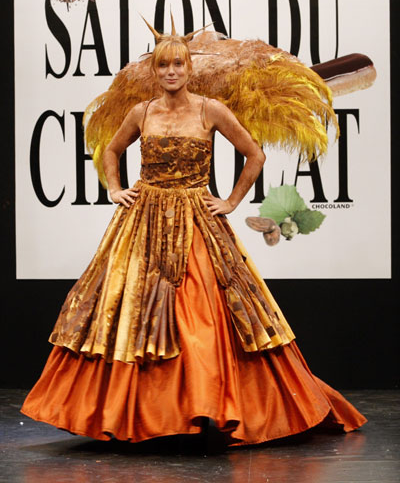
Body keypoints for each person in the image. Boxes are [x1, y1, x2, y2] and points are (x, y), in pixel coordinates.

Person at [21, 27, 367, 448]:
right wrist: (115, 189)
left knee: (202, 313)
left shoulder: (210, 109)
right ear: (155, 70)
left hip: (197, 219)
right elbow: (110, 150)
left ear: (189, 69)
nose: (171, 71)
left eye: (178, 64)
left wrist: (232, 201)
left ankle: (207, 407)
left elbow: (254, 153)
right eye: (163, 65)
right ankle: (146, 413)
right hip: (143, 220)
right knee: (128, 309)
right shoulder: (141, 112)